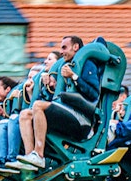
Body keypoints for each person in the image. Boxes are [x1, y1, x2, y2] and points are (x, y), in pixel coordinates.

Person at [17, 36, 101, 170]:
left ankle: (39, 154)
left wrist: (74, 77)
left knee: (38, 105)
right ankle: (30, 158)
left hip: (82, 119)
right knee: (25, 114)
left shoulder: (86, 64)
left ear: (76, 47)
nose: (61, 52)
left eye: (64, 47)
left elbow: (93, 94)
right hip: (68, 112)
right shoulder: (68, 65)